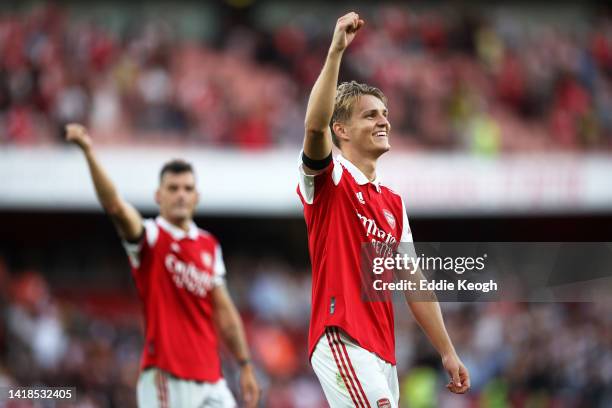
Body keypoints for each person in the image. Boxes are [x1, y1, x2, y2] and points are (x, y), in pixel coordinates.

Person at [297, 12, 470, 407]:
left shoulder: (392, 202)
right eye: (370, 115)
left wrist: (447, 350)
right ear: (341, 130)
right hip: (341, 335)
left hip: (382, 352)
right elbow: (313, 128)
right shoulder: (330, 180)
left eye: (385, 114)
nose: (383, 121)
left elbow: (413, 280)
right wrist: (336, 51)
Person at [65, 123, 259, 408]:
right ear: (159, 196)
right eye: (173, 188)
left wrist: (245, 364)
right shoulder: (152, 237)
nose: (181, 194)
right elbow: (116, 207)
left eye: (187, 188)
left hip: (211, 376)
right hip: (167, 375)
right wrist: (89, 152)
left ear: (197, 197)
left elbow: (225, 309)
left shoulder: (209, 245)